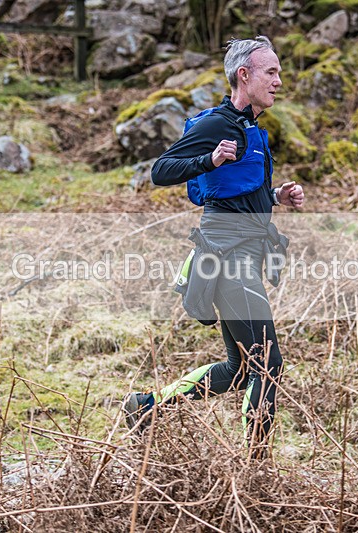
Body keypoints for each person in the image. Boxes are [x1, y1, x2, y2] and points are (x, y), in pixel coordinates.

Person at [123, 36, 305, 457]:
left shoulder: (252, 130)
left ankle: (146, 408)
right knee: (267, 364)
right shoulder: (214, 124)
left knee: (241, 370)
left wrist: (277, 197)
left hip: (246, 255)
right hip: (226, 259)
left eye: (279, 72)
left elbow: (234, 193)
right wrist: (209, 160)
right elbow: (160, 170)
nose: (279, 81)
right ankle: (254, 468)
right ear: (244, 75)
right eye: (271, 72)